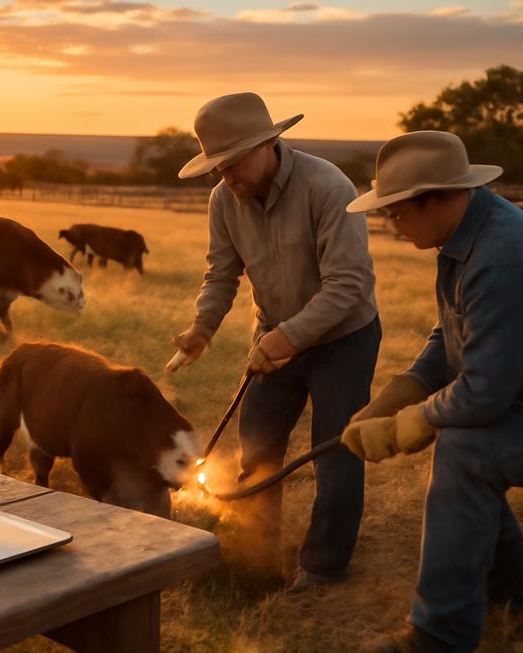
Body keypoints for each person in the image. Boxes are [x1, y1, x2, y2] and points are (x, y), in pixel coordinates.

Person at [341, 130, 523, 652]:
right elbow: (450, 335)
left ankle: (438, 636)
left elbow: (483, 393)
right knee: (470, 453)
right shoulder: (464, 238)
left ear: (434, 199)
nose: (391, 224)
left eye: (397, 212)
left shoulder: (503, 255)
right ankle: (511, 598)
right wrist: (400, 392)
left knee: (465, 452)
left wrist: (416, 422)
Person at [172, 92, 380, 592]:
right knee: (257, 448)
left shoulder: (328, 186)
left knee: (336, 451)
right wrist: (203, 327)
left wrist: (286, 337)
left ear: (268, 143)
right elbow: (221, 273)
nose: (226, 176)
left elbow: (348, 286)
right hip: (273, 336)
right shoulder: (224, 199)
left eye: (232, 161)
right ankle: (255, 552)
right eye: (217, 167)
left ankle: (325, 566)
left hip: (344, 338)